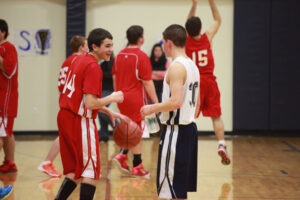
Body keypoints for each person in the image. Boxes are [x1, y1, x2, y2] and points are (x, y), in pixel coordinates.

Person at [54, 28, 124, 200]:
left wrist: (105, 109)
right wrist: (112, 97)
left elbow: (79, 97)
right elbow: (90, 103)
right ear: (94, 46)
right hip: (80, 121)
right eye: (107, 46)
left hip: (65, 116)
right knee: (90, 172)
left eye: (112, 45)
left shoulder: (77, 59)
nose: (110, 50)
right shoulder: (94, 67)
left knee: (74, 171)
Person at [140, 24, 200, 200]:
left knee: (168, 188)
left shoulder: (176, 67)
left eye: (163, 42)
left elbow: (175, 101)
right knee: (179, 188)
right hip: (189, 129)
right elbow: (196, 101)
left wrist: (153, 107)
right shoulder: (192, 65)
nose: (163, 45)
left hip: (176, 131)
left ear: (169, 43)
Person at [185, 0, 230, 165]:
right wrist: (211, 2)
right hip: (209, 80)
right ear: (200, 27)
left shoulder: (187, 41)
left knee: (190, 116)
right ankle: (221, 144)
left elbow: (188, 23)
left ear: (188, 30)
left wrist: (194, 5)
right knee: (216, 116)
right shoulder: (207, 37)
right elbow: (218, 20)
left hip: (195, 82)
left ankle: (187, 146)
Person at [38, 35, 89, 177]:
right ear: (81, 47)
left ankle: (80, 166)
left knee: (69, 136)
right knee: (66, 137)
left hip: (65, 100)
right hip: (73, 104)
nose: (88, 48)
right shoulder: (79, 60)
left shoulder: (66, 61)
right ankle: (47, 162)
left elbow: (60, 85)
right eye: (86, 45)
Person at [112, 25, 158, 177]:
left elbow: (114, 77)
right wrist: (156, 102)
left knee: (129, 130)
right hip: (136, 99)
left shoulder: (118, 55)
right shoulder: (141, 56)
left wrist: (117, 95)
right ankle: (137, 166)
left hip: (121, 98)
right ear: (141, 38)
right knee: (136, 132)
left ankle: (123, 155)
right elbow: (147, 82)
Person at [0, 19, 18, 173]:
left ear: (2, 32)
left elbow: (9, 70)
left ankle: (10, 162)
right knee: (6, 133)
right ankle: (10, 162)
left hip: (5, 98)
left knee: (2, 132)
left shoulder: (9, 48)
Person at [98, 54, 114, 142]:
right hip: (102, 89)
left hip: (108, 89)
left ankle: (118, 128)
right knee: (100, 112)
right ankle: (104, 135)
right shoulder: (101, 61)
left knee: (101, 110)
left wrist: (99, 72)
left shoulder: (110, 61)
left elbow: (112, 74)